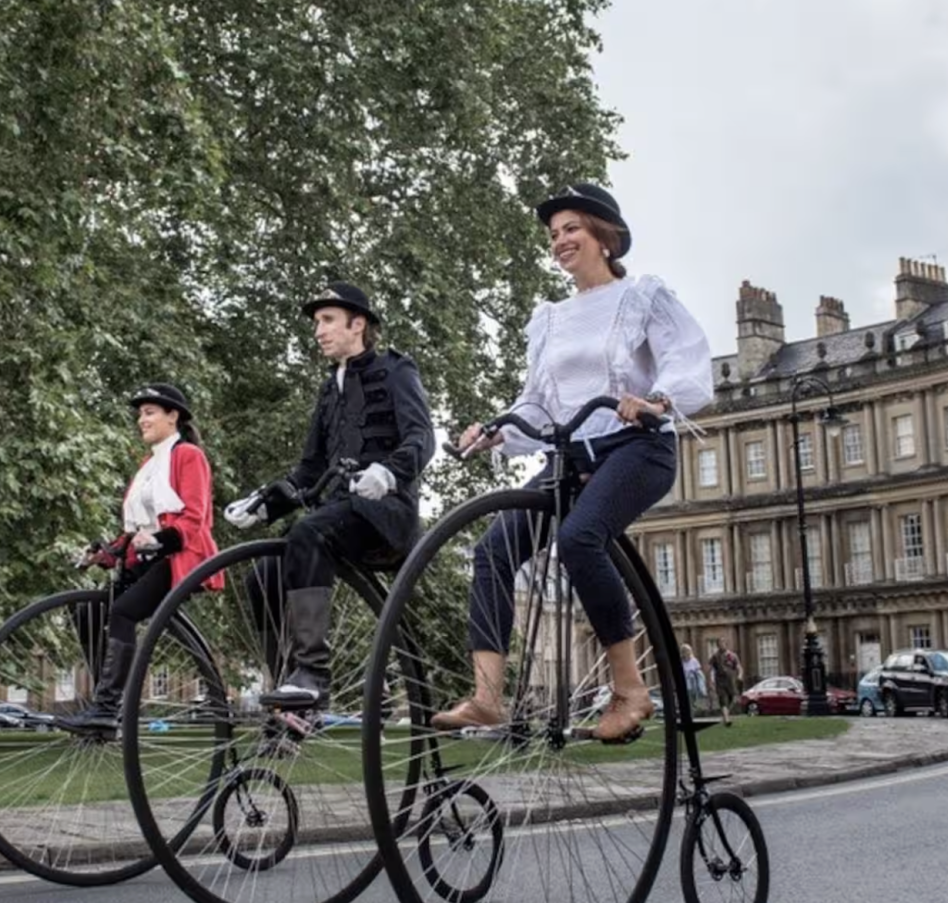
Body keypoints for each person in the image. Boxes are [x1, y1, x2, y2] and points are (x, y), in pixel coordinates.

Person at [433, 183, 714, 741]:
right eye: (554, 234)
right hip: (573, 455)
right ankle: (488, 697)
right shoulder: (552, 319)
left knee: (582, 538)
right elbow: (538, 399)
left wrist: (656, 400)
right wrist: (497, 430)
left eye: (571, 229)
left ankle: (630, 689)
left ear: (604, 237)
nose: (560, 241)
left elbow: (688, 361)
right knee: (493, 550)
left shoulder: (642, 297)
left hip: (637, 447)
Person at [224, 282, 435, 710]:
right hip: (338, 516)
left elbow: (422, 438)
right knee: (263, 573)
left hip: (384, 517)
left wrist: (389, 473)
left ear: (357, 324)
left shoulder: (396, 371)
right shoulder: (329, 389)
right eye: (317, 322)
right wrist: (265, 502)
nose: (318, 331)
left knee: (309, 533)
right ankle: (290, 686)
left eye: (327, 321)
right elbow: (311, 469)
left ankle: (314, 674)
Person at [60, 384, 222, 730]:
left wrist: (160, 540)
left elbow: (195, 517)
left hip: (180, 556)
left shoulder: (188, 456)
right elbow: (137, 528)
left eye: (149, 412)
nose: (141, 420)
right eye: (140, 414)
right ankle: (107, 692)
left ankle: (108, 707)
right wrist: (108, 552)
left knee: (123, 611)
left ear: (172, 416)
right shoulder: (149, 464)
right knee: (87, 610)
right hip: (146, 558)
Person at [708, 638, 742, 727]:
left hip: (730, 681)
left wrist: (740, 675)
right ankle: (727, 720)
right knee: (723, 699)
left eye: (723, 643)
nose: (721, 645)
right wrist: (710, 681)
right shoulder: (715, 656)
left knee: (732, 699)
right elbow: (710, 669)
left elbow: (738, 667)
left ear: (726, 644)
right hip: (720, 681)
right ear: (717, 645)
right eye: (719, 643)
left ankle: (725, 715)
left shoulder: (733, 655)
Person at [681, 643, 707, 713]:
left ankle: (693, 705)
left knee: (693, 693)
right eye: (686, 651)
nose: (688, 653)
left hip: (693, 680)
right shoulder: (681, 662)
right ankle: (690, 707)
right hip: (685, 681)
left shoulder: (694, 660)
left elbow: (698, 670)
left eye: (689, 651)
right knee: (687, 694)